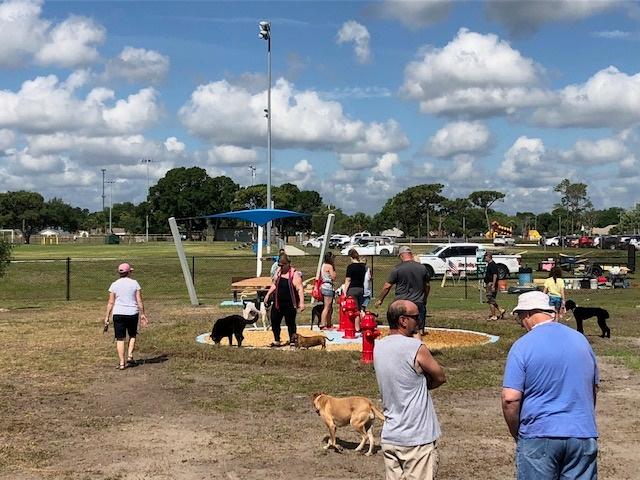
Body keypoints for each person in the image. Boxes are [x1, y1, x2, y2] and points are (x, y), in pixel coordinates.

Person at [502, 291, 599, 479]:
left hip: (539, 433)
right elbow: (593, 388)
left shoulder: (522, 346)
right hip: (582, 432)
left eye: (520, 317)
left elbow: (510, 399)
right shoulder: (581, 341)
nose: (521, 323)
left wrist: (517, 432)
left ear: (527, 314)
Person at [374, 300, 446, 480]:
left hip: (391, 434)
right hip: (416, 438)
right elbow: (440, 376)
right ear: (403, 321)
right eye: (415, 317)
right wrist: (424, 385)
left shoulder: (379, 347)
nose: (419, 320)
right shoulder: (416, 348)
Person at [375, 246, 430, 336]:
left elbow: (387, 286)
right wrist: (425, 298)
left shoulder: (397, 268)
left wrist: (380, 299)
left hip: (401, 303)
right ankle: (417, 346)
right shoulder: (422, 268)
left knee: (397, 328)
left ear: (401, 256)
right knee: (417, 331)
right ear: (411, 255)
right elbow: (427, 286)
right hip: (418, 302)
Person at [104, 263, 148, 370]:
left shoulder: (114, 284)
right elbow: (139, 300)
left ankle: (122, 363)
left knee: (120, 338)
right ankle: (130, 356)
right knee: (132, 335)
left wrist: (107, 316)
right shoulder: (134, 283)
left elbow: (110, 302)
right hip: (132, 313)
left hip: (118, 313)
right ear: (129, 272)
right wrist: (143, 314)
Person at [264, 254, 305, 348]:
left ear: (288, 264)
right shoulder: (278, 272)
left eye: (282, 265)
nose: (281, 267)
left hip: (290, 304)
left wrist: (302, 303)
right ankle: (277, 340)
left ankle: (292, 341)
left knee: (290, 323)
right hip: (278, 303)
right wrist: (268, 294)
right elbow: (274, 284)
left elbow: (300, 289)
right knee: (274, 321)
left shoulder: (294, 274)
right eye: (279, 265)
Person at [343, 249, 367, 330]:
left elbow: (348, 280)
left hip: (352, 289)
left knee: (354, 310)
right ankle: (363, 324)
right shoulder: (363, 267)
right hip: (361, 288)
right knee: (360, 308)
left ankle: (356, 328)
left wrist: (345, 291)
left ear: (350, 257)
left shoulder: (350, 267)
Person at [484, 252, 506, 320]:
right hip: (489, 283)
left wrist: (493, 285)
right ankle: (500, 310)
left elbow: (495, 275)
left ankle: (494, 315)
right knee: (491, 299)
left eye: (485, 257)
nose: (484, 258)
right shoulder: (490, 265)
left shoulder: (492, 265)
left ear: (489, 257)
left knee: (490, 300)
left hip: (491, 284)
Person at [320, 252, 337, 329]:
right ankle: (323, 324)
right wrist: (334, 270)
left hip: (324, 286)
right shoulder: (330, 266)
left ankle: (328, 323)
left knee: (329, 307)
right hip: (328, 287)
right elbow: (333, 277)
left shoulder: (323, 265)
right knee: (327, 307)